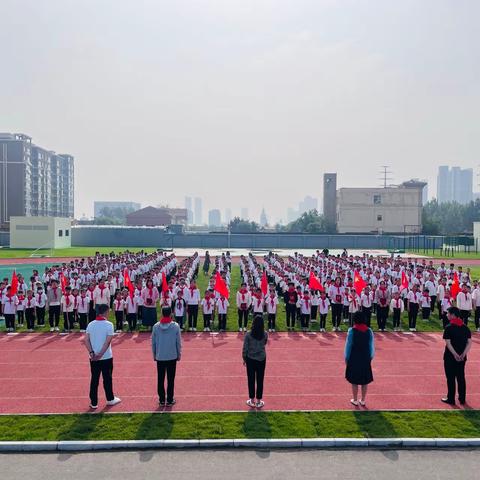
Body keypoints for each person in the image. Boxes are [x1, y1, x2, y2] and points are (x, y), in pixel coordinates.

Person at [84, 304, 121, 409]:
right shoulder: (109, 325)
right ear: (105, 312)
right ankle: (110, 399)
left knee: (94, 379)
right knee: (107, 379)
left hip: (94, 357)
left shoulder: (91, 324)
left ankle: (94, 402)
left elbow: (86, 340)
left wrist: (92, 353)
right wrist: (100, 354)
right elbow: (107, 342)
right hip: (106, 357)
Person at [442, 306, 472, 405]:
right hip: (462, 357)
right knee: (461, 377)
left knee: (450, 378)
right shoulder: (465, 327)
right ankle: (462, 398)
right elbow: (469, 343)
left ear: (453, 315)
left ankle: (451, 398)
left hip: (450, 357)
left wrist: (455, 354)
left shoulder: (449, 327)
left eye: (448, 313)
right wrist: (463, 354)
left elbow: (448, 343)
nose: (447, 315)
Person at [152, 307, 182, 406]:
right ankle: (169, 399)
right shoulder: (175, 326)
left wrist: (154, 354)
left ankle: (161, 399)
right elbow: (178, 342)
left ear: (162, 313)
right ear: (171, 314)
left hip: (160, 355)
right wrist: (179, 353)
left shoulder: (156, 326)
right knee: (170, 379)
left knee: (160, 378)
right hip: (172, 355)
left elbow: (153, 343)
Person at [344, 311, 375, 407]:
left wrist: (346, 357)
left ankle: (355, 399)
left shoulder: (351, 331)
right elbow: (371, 345)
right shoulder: (369, 331)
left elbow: (348, 346)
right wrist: (371, 356)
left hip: (354, 357)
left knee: (354, 380)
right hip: (365, 357)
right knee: (364, 380)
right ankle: (363, 400)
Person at [242, 314, 268, 409]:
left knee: (251, 379)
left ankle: (252, 400)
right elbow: (264, 343)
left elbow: (245, 348)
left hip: (251, 359)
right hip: (261, 358)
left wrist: (244, 358)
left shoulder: (248, 334)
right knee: (260, 379)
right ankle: (259, 401)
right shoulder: (265, 333)